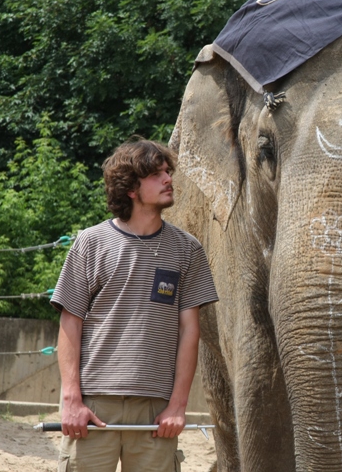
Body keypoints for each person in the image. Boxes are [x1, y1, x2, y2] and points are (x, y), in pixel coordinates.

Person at [51, 137, 218, 472]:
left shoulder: (188, 250)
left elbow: (190, 331)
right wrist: (72, 400)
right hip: (94, 404)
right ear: (130, 188)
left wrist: (177, 406)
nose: (169, 179)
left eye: (168, 171)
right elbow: (70, 323)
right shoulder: (90, 243)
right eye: (157, 174)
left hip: (156, 410)